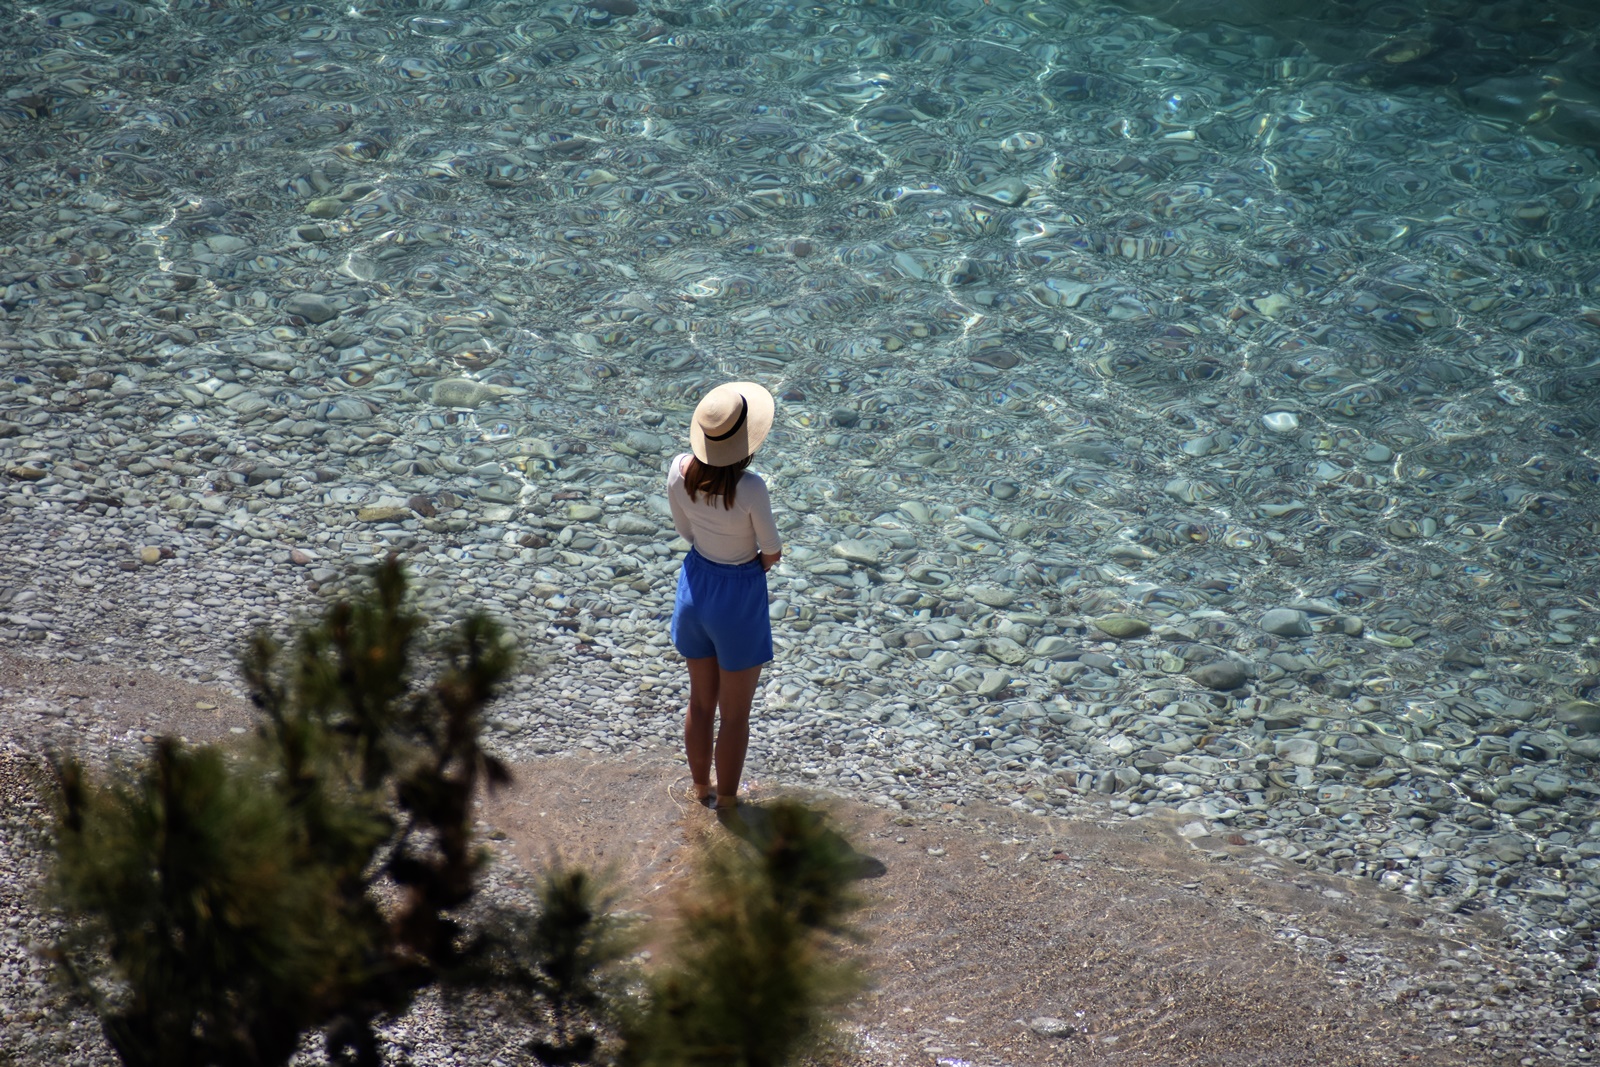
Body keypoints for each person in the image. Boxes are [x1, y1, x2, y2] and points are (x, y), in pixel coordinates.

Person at [666, 381, 781, 812]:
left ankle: (700, 790)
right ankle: (728, 806)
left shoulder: (678, 469)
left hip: (695, 587)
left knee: (700, 701)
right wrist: (752, 566)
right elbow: (770, 552)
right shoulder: (751, 488)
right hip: (738, 595)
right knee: (734, 716)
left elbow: (686, 532)